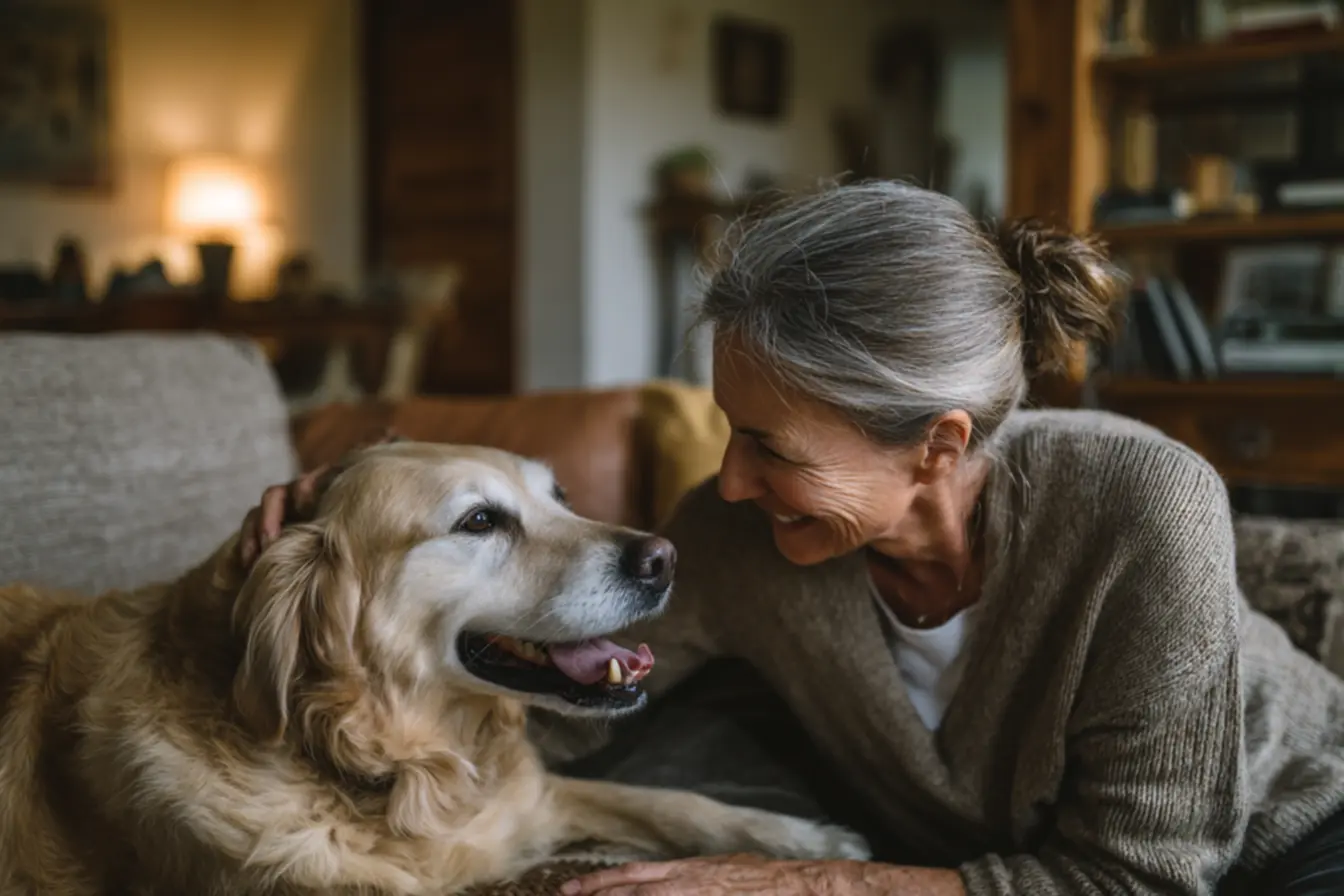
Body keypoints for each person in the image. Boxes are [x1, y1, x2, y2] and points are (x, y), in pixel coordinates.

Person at [238, 182, 1344, 895]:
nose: (726, 478)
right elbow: (536, 721)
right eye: (728, 427)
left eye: (772, 445)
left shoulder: (1144, 506)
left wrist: (791, 881)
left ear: (935, 445)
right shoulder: (732, 541)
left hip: (1296, 836)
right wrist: (350, 529)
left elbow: (1136, 878)